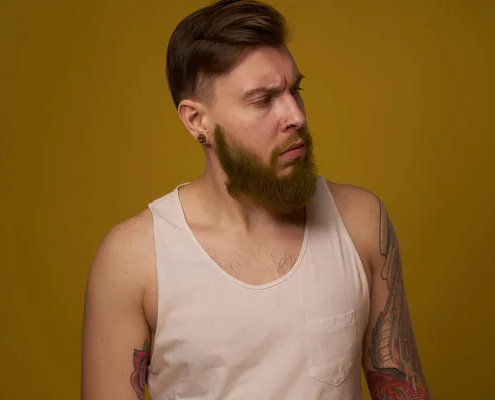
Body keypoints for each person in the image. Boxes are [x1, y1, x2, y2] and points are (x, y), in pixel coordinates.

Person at [80, 1, 431, 399]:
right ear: (198, 121)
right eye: (263, 100)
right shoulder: (134, 257)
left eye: (294, 90)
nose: (295, 115)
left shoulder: (362, 222)